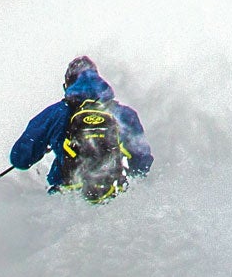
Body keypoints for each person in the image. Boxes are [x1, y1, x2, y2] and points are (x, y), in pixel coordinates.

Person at [9, 56, 154, 202]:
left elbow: (20, 159)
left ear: (68, 85)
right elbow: (142, 163)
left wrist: (48, 143)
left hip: (66, 198)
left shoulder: (57, 113)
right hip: (112, 200)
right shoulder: (123, 114)